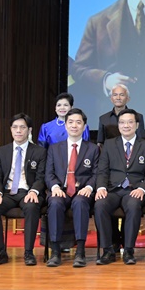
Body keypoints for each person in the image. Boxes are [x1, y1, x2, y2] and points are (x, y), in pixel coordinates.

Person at [0, 114, 47, 267]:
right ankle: (0, 252)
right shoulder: (1, 151)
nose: (18, 131)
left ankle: (28, 252)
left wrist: (34, 191)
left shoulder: (39, 152)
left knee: (32, 207)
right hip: (7, 193)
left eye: (22, 127)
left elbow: (41, 177)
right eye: (15, 127)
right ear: (11, 130)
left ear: (29, 130)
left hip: (28, 192)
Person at [93, 109, 145, 266]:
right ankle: (108, 250)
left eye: (130, 122)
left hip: (134, 190)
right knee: (100, 205)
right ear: (118, 125)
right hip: (113, 189)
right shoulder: (109, 144)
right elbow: (102, 170)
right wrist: (101, 188)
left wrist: (142, 188)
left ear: (137, 125)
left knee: (133, 206)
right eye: (122, 122)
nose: (126, 125)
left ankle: (128, 250)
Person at [44, 108, 99, 268]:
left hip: (82, 190)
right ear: (66, 125)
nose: (74, 125)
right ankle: (55, 251)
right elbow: (49, 173)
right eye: (71, 122)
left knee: (80, 202)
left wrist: (89, 187)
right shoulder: (54, 148)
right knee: (54, 203)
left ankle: (80, 251)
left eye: (78, 122)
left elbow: (97, 173)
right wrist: (54, 187)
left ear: (84, 126)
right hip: (60, 189)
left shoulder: (93, 149)